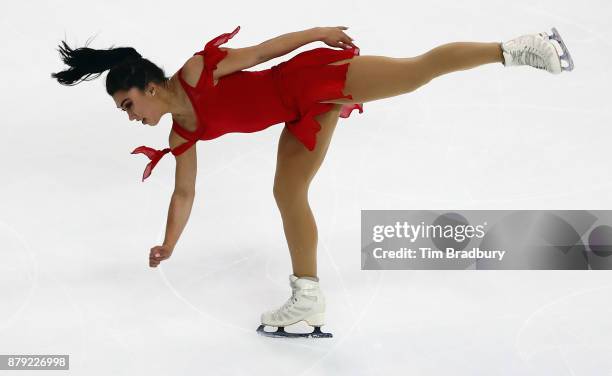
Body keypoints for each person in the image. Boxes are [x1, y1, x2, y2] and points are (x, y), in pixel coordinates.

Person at [51, 25, 574, 338]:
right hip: (300, 113)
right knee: (288, 192)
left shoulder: (195, 73)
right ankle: (308, 297)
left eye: (127, 105)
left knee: (415, 72)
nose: (130, 115)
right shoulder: (183, 132)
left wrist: (317, 32)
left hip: (308, 80)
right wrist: (168, 243)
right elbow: (184, 192)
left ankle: (519, 48)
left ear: (146, 86)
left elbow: (260, 54)